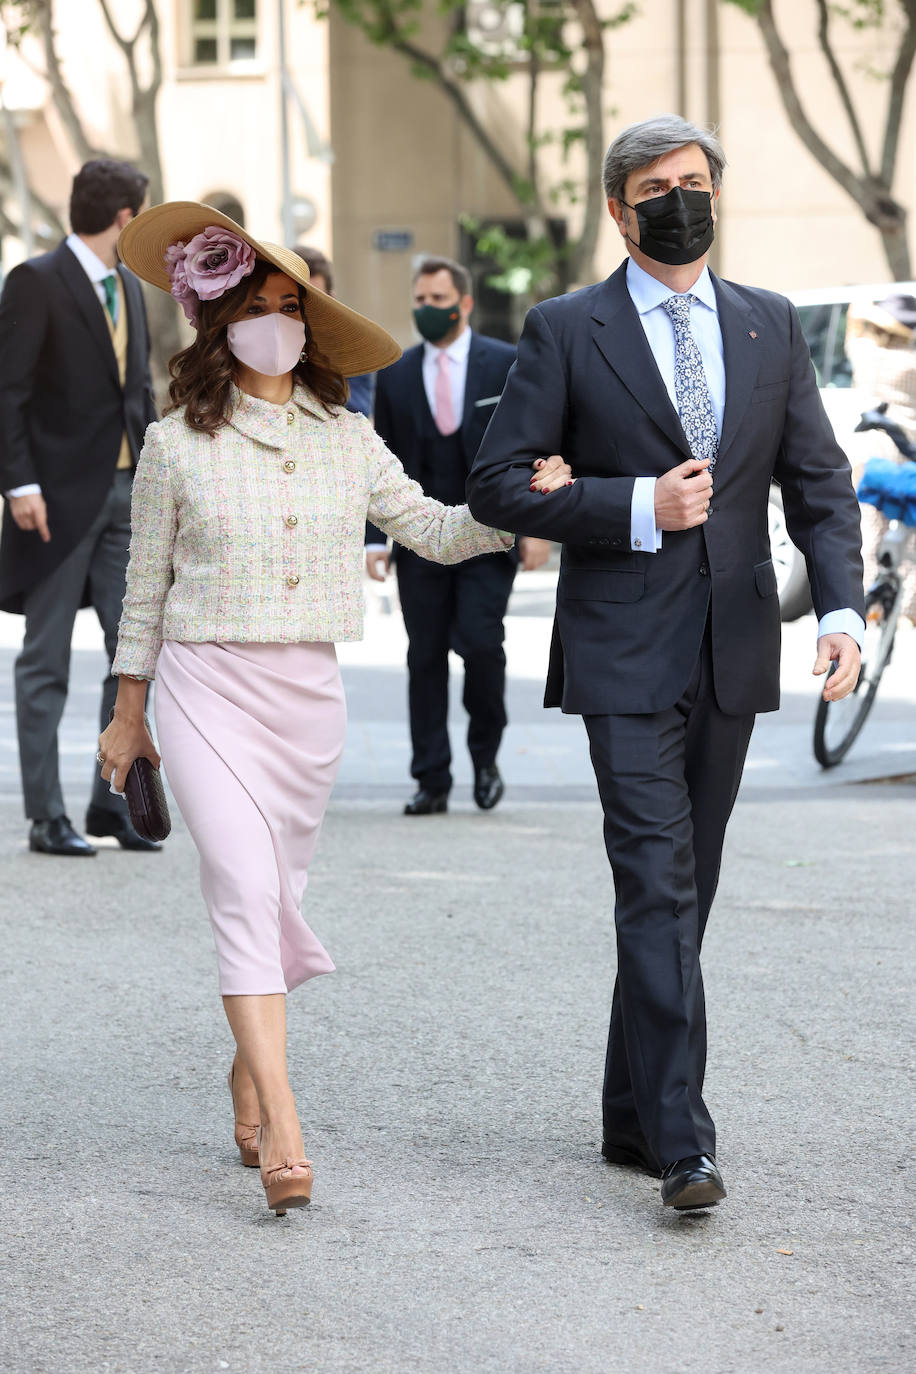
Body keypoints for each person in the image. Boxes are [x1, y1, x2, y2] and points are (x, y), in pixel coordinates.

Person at [467, 115, 865, 1212]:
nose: (676, 199)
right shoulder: (564, 327)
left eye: (692, 182)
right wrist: (634, 502)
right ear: (617, 208)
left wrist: (841, 611)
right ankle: (684, 1144)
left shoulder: (770, 326)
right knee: (655, 881)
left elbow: (818, 484)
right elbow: (497, 482)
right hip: (619, 649)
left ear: (716, 196)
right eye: (654, 186)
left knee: (687, 898)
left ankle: (628, 1113)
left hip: (734, 645)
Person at [98, 203, 514, 1216]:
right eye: (259, 305)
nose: (276, 322)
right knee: (242, 889)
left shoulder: (349, 437)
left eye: (293, 307)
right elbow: (142, 589)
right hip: (203, 688)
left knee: (273, 895)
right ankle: (284, 1122)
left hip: (304, 701)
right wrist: (126, 712)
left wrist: (526, 508)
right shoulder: (173, 443)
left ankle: (247, 1070)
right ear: (222, 319)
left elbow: (434, 527)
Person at [0, 157, 158, 856]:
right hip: (56, 503)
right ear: (125, 218)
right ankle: (45, 815)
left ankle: (108, 804)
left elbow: (139, 395)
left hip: (128, 498)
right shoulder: (34, 282)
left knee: (131, 660)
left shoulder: (129, 284)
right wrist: (20, 485)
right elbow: (8, 393)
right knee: (46, 662)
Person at [365, 254, 551, 816]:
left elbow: (532, 443)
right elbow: (380, 459)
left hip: (490, 535)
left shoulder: (507, 363)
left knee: (480, 644)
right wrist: (376, 540)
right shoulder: (395, 371)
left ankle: (486, 756)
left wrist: (536, 527)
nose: (427, 310)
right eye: (420, 301)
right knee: (424, 657)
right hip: (418, 539)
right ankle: (431, 779)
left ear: (464, 304)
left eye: (438, 301)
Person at [844, 294, 916, 622]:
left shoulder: (863, 353)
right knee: (908, 530)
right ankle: (907, 607)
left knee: (870, 526)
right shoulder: (912, 360)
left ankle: (869, 603)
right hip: (906, 453)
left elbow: (853, 320)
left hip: (868, 452)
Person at [292, 245, 374, 419]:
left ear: (332, 300)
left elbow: (356, 412)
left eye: (316, 300)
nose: (307, 309)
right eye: (296, 301)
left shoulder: (350, 351)